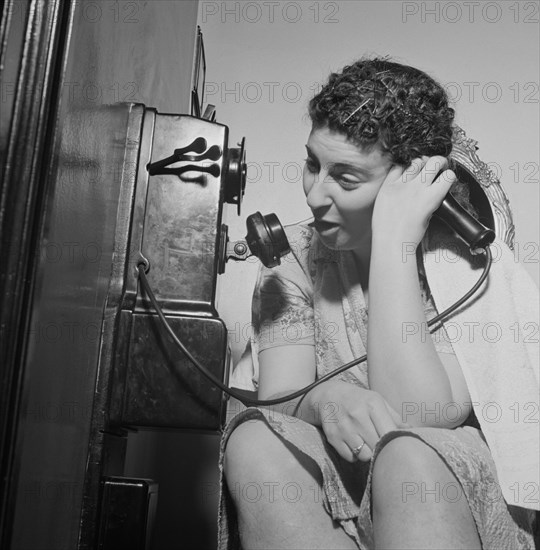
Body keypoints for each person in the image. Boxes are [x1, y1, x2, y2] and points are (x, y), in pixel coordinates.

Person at [218, 57, 538, 549]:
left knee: (405, 454)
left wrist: (394, 243)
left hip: (438, 481)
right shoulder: (293, 261)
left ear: (408, 182)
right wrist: (326, 400)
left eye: (345, 178)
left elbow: (419, 413)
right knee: (254, 439)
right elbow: (282, 398)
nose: (314, 194)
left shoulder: (462, 269)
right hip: (340, 477)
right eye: (312, 164)